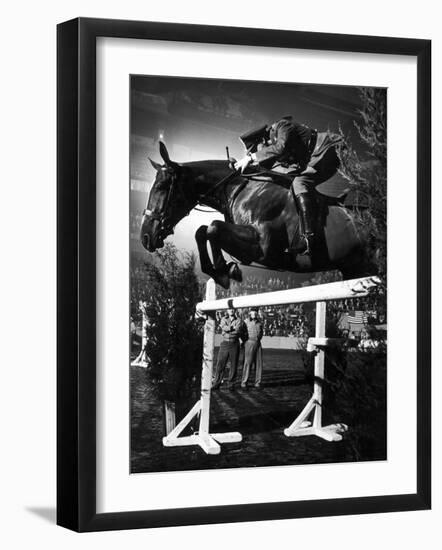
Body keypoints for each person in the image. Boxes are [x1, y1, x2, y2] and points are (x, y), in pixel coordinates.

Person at [235, 116, 343, 257]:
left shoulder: (282, 126)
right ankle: (331, 203)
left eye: (256, 149)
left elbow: (280, 148)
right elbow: (266, 166)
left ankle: (309, 237)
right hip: (317, 156)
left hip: (329, 146)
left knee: (300, 183)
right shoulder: (270, 146)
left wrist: (250, 158)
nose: (258, 153)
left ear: (262, 140)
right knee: (295, 184)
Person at [212, 308, 244, 390]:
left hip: (234, 343)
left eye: (233, 309)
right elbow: (223, 327)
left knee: (234, 365)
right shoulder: (223, 319)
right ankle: (217, 383)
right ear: (227, 311)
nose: (231, 310)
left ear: (235, 310)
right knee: (220, 364)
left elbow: (237, 330)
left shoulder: (239, 320)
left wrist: (228, 328)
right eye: (229, 309)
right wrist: (231, 328)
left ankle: (231, 384)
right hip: (225, 343)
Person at [241, 308, 264, 390]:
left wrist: (258, 340)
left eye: (255, 312)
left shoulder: (259, 322)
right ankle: (244, 383)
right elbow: (242, 332)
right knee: (248, 363)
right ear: (250, 313)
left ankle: (258, 383)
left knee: (259, 364)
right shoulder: (246, 321)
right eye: (252, 311)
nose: (254, 313)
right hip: (249, 342)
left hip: (258, 343)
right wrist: (245, 342)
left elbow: (261, 333)